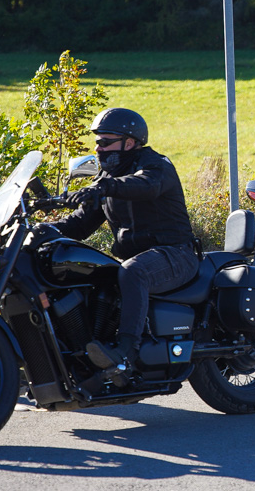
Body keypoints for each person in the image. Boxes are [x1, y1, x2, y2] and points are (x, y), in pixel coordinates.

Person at [50, 108, 198, 377]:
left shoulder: (156, 165)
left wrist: (103, 187)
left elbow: (145, 185)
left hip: (176, 254)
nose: (99, 148)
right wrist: (40, 230)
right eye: (97, 142)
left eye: (106, 142)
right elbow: (79, 225)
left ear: (129, 143)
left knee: (133, 271)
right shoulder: (106, 180)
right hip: (137, 257)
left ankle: (126, 353)